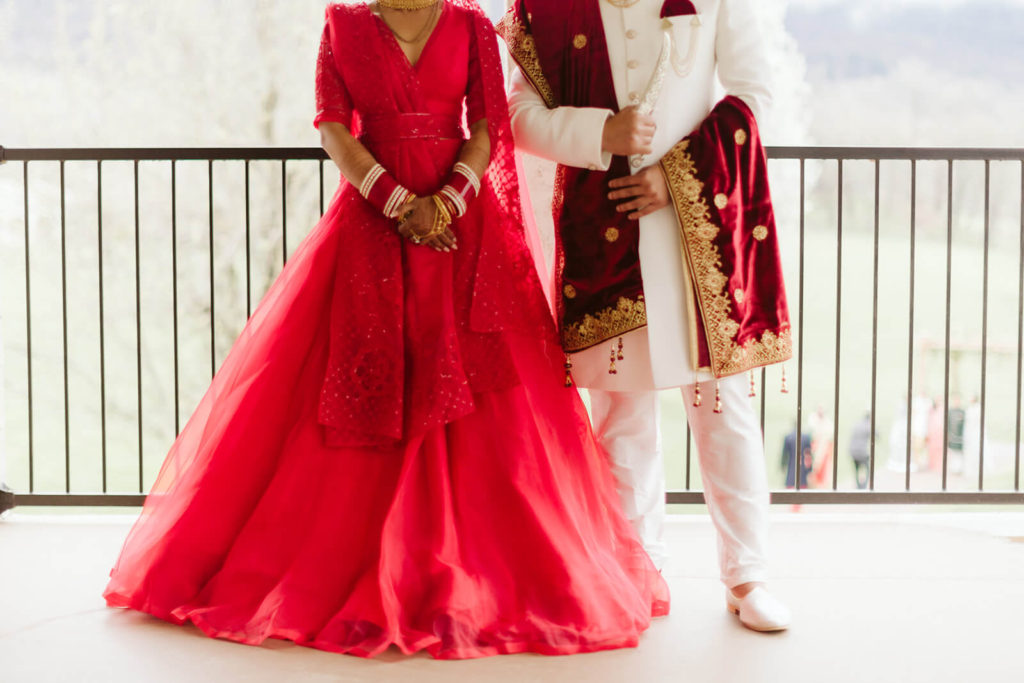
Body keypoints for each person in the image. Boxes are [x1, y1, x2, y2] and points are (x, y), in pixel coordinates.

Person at [103, 0, 668, 660]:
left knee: (492, 407)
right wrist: (397, 201)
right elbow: (333, 129)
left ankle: (462, 565)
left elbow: (489, 126)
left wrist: (450, 198)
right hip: (371, 224)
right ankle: (358, 561)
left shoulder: (471, 26)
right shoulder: (342, 24)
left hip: (464, 226)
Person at [498, 0, 792, 632]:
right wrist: (598, 133)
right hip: (600, 234)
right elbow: (518, 115)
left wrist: (675, 175)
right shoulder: (546, 6)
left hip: (699, 231)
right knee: (621, 415)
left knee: (722, 407)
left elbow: (754, 92)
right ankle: (637, 570)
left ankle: (748, 575)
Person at [781, 426, 812, 490]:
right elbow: (808, 455)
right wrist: (809, 469)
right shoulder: (806, 437)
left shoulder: (788, 437)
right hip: (802, 470)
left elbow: (784, 455)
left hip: (791, 471)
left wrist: (783, 465)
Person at [848, 411, 872, 490]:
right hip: (862, 452)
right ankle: (863, 486)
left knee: (857, 469)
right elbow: (877, 434)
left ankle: (859, 486)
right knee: (868, 469)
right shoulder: (868, 425)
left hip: (852, 451)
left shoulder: (857, 424)